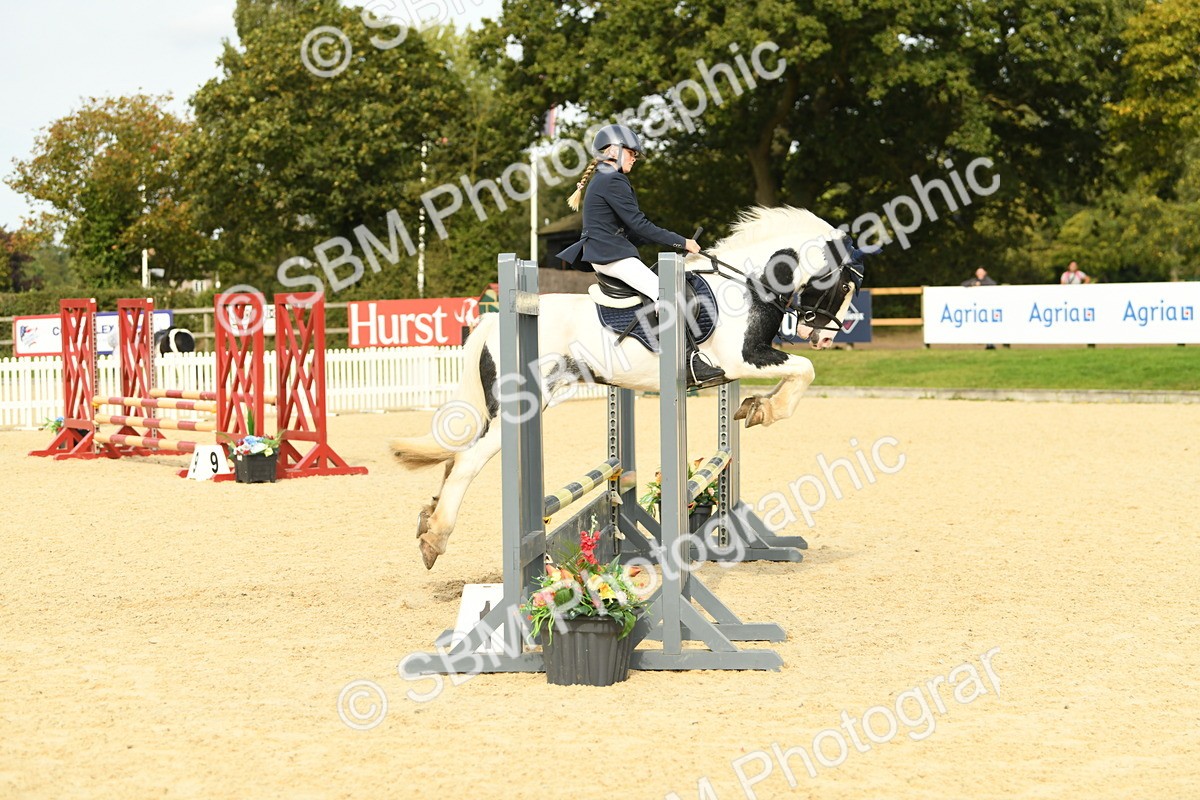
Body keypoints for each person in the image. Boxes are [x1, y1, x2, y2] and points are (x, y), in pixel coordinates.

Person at [556, 123, 725, 388]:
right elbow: (640, 224)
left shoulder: (603, 178)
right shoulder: (612, 179)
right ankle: (686, 361)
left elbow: (634, 232)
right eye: (632, 152)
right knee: (668, 295)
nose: (635, 158)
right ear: (613, 150)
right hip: (611, 256)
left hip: (607, 253)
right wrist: (682, 241)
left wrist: (676, 245)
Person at [962, 267, 997, 349]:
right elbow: (963, 284)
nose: (980, 274)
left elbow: (993, 285)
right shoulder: (974, 280)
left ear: (985, 273)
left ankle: (990, 344)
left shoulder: (988, 281)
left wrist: (980, 285)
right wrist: (973, 284)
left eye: (981, 273)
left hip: (988, 308)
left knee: (989, 326)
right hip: (977, 309)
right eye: (978, 273)